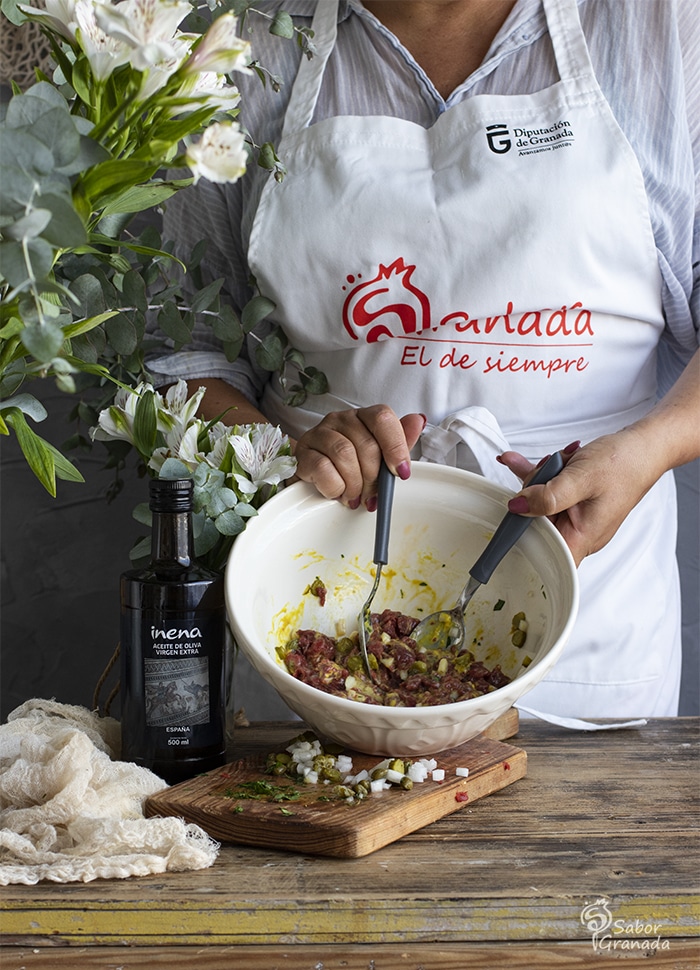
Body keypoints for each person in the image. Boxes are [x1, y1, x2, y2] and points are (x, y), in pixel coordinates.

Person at [152, 0, 700, 719]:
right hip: (314, 639)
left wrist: (648, 450)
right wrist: (283, 453)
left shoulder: (662, 28)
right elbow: (184, 356)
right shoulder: (239, 44)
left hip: (589, 641)